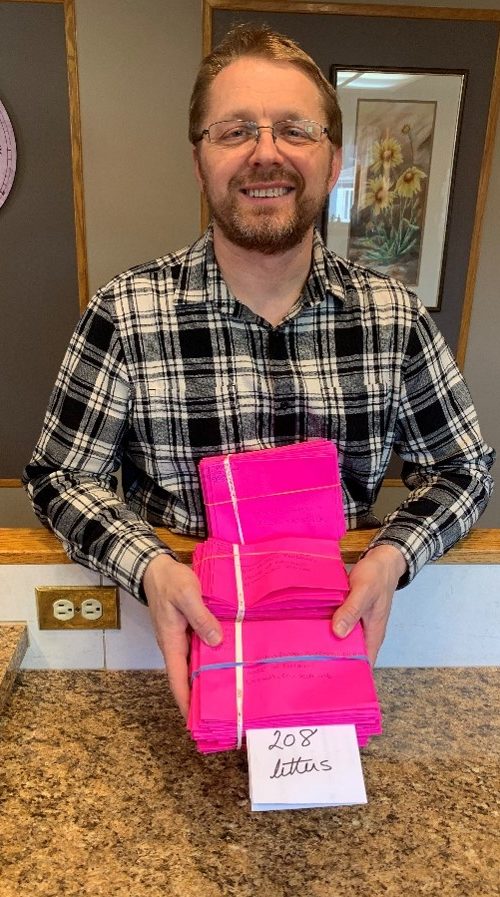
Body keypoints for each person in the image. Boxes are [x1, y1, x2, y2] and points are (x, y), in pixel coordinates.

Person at [23, 25, 494, 718]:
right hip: (178, 659)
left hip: (337, 653)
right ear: (199, 162)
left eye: (294, 130)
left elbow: (464, 469)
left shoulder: (396, 319)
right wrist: (149, 568)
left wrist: (393, 554)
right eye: (235, 130)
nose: (265, 152)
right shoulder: (124, 314)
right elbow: (60, 478)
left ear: (333, 161)